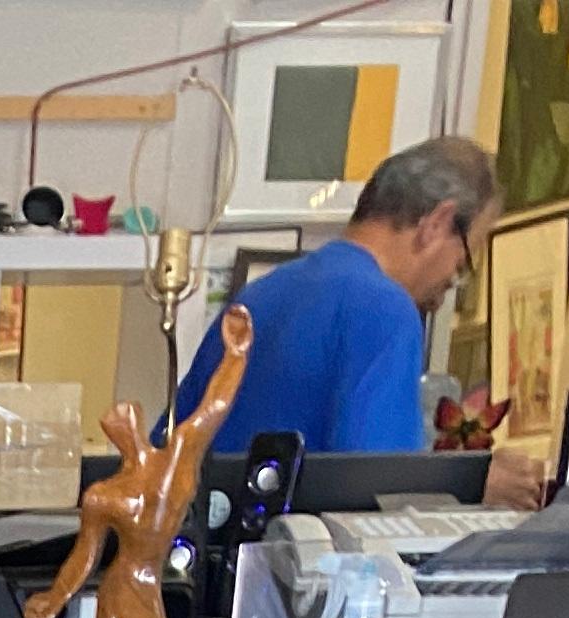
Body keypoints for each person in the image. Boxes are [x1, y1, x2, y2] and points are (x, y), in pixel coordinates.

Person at [173, 135, 547, 508]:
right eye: (463, 261)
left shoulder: (259, 295)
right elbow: (381, 492)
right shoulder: (387, 309)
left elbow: (170, 448)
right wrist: (473, 483)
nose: (452, 280)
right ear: (437, 222)